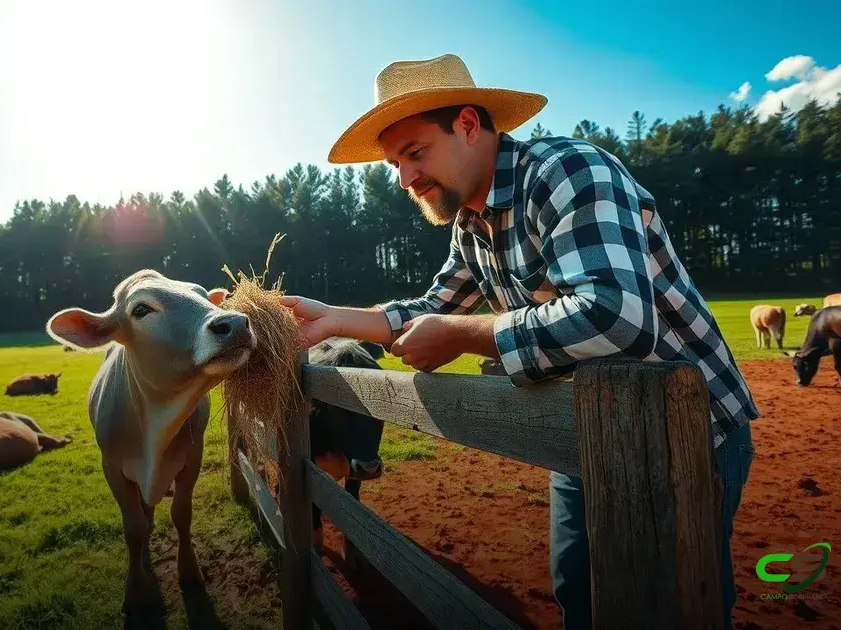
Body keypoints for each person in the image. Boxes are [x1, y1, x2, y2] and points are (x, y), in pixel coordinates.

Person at [279, 53, 758, 630]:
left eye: (414, 153)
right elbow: (430, 309)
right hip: (582, 426)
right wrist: (329, 318)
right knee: (577, 592)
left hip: (684, 431)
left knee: (670, 605)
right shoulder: (470, 224)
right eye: (393, 163)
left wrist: (460, 335)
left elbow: (617, 317)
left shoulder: (567, 172)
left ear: (468, 125)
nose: (404, 179)